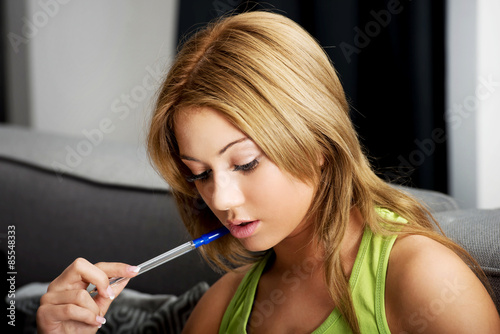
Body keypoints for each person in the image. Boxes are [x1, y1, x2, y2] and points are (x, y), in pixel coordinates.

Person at [37, 11, 500, 334]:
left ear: (318, 142)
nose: (220, 199)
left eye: (245, 163)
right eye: (200, 174)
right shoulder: (220, 310)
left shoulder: (426, 282)